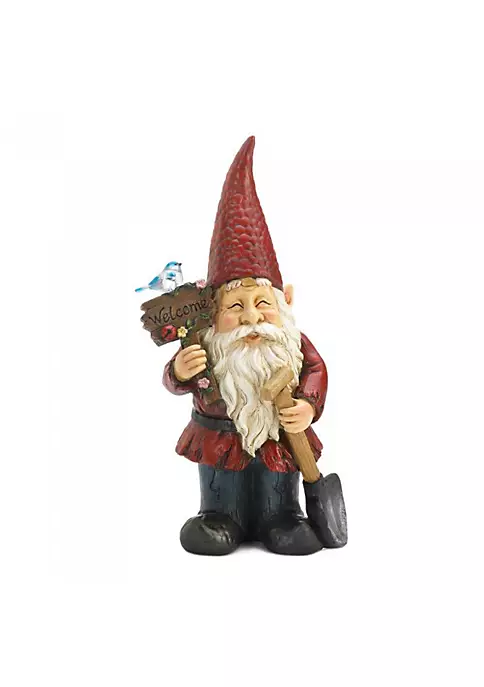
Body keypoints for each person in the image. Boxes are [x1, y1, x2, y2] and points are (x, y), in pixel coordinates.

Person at [163, 137, 331, 555]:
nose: (251, 317)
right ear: (213, 311)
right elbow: (174, 380)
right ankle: (220, 517)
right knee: (223, 485)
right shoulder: (204, 345)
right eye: (236, 306)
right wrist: (180, 371)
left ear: (285, 301)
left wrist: (307, 406)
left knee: (278, 481)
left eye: (263, 304)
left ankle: (282, 518)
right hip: (219, 439)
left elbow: (315, 371)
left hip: (278, 435)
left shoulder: (293, 344)